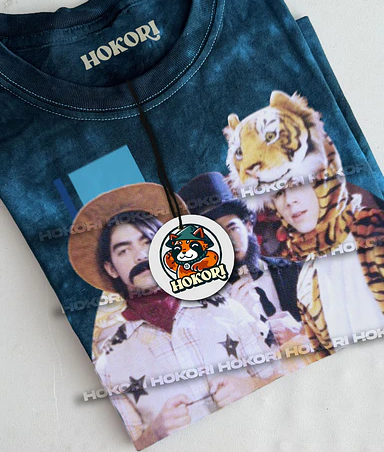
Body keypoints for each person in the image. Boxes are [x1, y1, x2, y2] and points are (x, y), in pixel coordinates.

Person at [68, 183, 283, 449]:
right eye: (124, 250)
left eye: (148, 242)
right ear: (111, 269)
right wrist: (154, 434)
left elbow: (283, 380)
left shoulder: (228, 309)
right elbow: (126, 443)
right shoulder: (110, 364)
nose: (140, 255)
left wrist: (250, 386)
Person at [178, 172, 305, 348]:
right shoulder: (204, 310)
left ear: (248, 226)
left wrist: (302, 333)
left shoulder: (297, 272)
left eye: (232, 228)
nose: (227, 241)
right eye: (214, 235)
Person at [270, 169, 384, 358]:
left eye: (297, 184)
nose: (289, 200)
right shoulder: (306, 281)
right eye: (278, 193)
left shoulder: (374, 232)